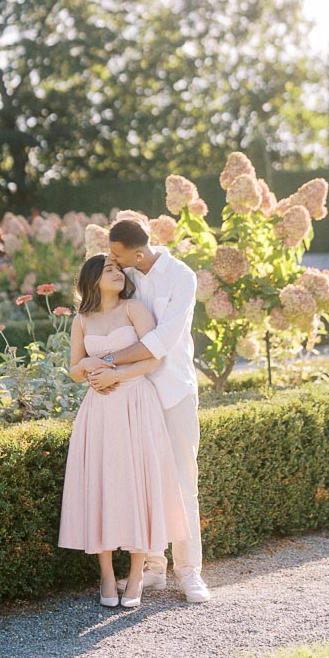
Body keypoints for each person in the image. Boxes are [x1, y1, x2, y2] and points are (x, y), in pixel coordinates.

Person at [87, 218, 211, 604]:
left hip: (171, 391)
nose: (113, 260)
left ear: (138, 253)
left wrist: (106, 359)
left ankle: (189, 572)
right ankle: (154, 568)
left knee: (181, 482)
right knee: (141, 484)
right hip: (132, 396)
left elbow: (161, 340)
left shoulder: (181, 277)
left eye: (118, 255)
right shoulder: (126, 275)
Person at [58, 254, 188, 609]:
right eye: (110, 269)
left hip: (134, 403)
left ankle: (135, 574)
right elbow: (73, 369)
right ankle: (104, 572)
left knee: (137, 482)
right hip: (98, 410)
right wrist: (85, 364)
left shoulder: (134, 309)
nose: (118, 274)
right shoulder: (82, 320)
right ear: (92, 279)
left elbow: (154, 358)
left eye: (118, 269)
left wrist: (116, 374)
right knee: (100, 482)